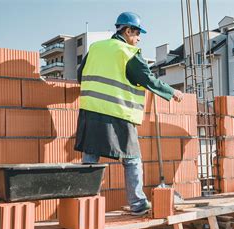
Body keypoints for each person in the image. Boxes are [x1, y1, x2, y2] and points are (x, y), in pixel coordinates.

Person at [74, 12, 183, 216]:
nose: (139, 38)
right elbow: (148, 79)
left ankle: (85, 204)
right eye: (137, 33)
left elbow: (81, 76)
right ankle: (138, 204)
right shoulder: (128, 52)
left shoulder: (95, 48)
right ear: (127, 30)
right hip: (118, 112)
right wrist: (173, 92)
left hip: (90, 111)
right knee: (132, 159)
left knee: (90, 157)